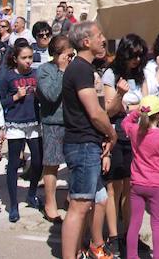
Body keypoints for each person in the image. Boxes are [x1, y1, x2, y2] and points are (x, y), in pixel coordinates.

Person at [60, 22, 118, 259]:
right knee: (80, 205)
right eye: (99, 35)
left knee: (100, 199)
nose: (103, 39)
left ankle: (89, 247)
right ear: (86, 42)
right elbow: (94, 112)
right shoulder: (81, 69)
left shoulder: (85, 69)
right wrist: (112, 134)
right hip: (82, 144)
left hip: (89, 143)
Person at [102, 34, 149, 255]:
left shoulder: (140, 76)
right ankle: (113, 236)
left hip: (136, 135)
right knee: (114, 187)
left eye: (140, 56)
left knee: (131, 188)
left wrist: (131, 108)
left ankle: (130, 235)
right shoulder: (111, 74)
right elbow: (110, 110)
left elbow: (148, 105)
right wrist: (121, 96)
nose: (137, 60)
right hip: (117, 134)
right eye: (133, 55)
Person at [121, 95, 159, 259]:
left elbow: (125, 123)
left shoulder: (134, 131)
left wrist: (136, 113)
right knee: (157, 223)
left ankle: (132, 256)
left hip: (137, 184)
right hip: (156, 184)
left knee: (134, 223)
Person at [0, 39, 42, 223]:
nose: (28, 61)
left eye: (30, 57)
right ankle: (13, 204)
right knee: (14, 163)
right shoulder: (7, 76)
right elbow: (0, 101)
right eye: (24, 58)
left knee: (38, 161)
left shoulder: (36, 74)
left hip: (34, 122)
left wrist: (39, 94)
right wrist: (16, 96)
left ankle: (32, 194)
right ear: (15, 59)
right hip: (15, 123)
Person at [36, 34, 73, 223]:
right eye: (68, 54)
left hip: (72, 121)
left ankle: (71, 198)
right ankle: (50, 204)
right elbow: (50, 95)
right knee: (51, 164)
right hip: (53, 122)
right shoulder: (44, 70)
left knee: (74, 163)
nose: (70, 58)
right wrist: (61, 70)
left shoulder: (73, 68)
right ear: (58, 54)